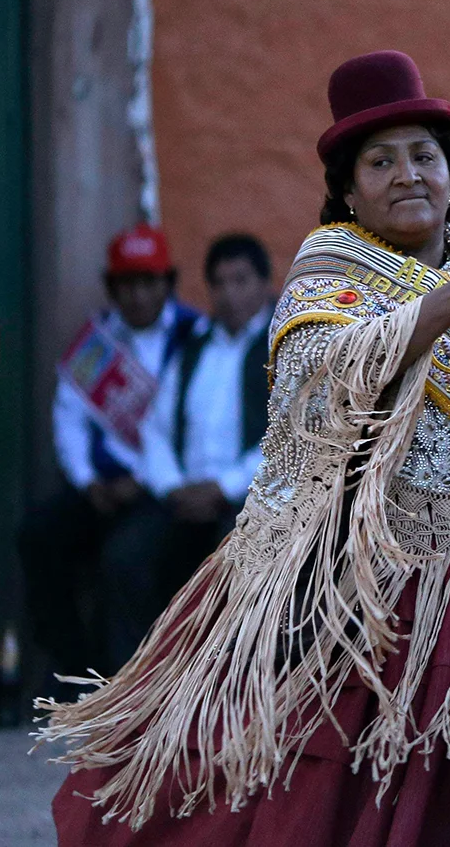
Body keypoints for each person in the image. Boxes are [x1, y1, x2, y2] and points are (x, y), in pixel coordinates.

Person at [40, 50, 450, 844]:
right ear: (346, 189)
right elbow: (319, 381)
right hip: (401, 598)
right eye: (380, 161)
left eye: (425, 155)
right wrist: (433, 313)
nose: (408, 174)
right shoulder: (325, 283)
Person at [17, 222, 199, 685]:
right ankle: (75, 674)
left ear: (168, 283)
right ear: (110, 288)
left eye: (147, 282)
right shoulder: (97, 341)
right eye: (126, 285)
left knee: (125, 558)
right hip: (98, 490)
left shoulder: (194, 336)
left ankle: (130, 682)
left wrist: (142, 480)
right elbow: (69, 418)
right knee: (39, 537)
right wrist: (87, 482)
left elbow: (196, 426)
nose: (137, 296)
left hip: (159, 489)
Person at [108, 233, 275, 667]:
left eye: (241, 281)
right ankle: (136, 684)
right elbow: (156, 429)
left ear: (265, 283)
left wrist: (223, 489)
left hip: (248, 499)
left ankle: (228, 684)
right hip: (180, 497)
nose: (229, 294)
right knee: (124, 557)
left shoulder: (282, 347)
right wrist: (173, 488)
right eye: (218, 283)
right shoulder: (196, 347)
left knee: (236, 559)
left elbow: (288, 436)